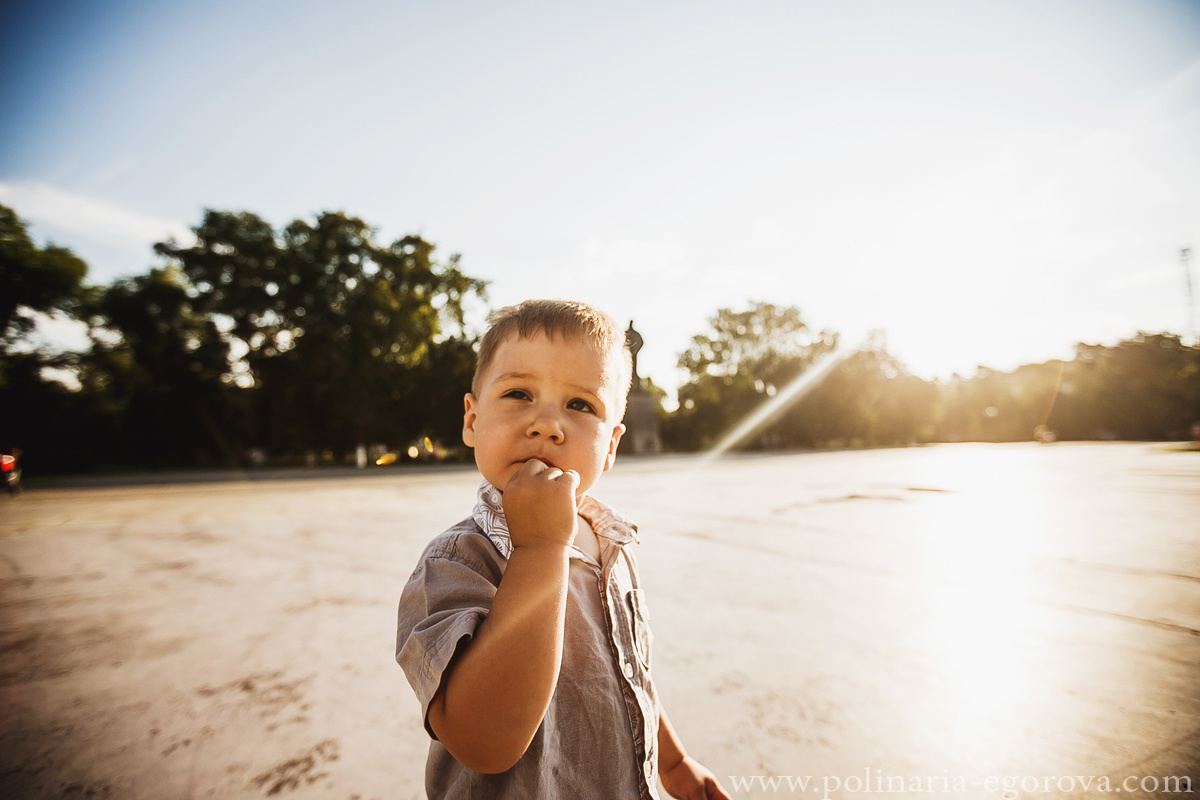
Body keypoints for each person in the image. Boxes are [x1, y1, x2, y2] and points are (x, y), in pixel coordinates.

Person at [396, 299, 730, 800]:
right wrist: (540, 550)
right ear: (472, 419)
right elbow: (482, 743)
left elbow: (624, 671)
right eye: (518, 393)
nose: (547, 424)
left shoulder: (611, 541)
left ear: (610, 446)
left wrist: (674, 762)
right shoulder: (457, 561)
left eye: (580, 405)